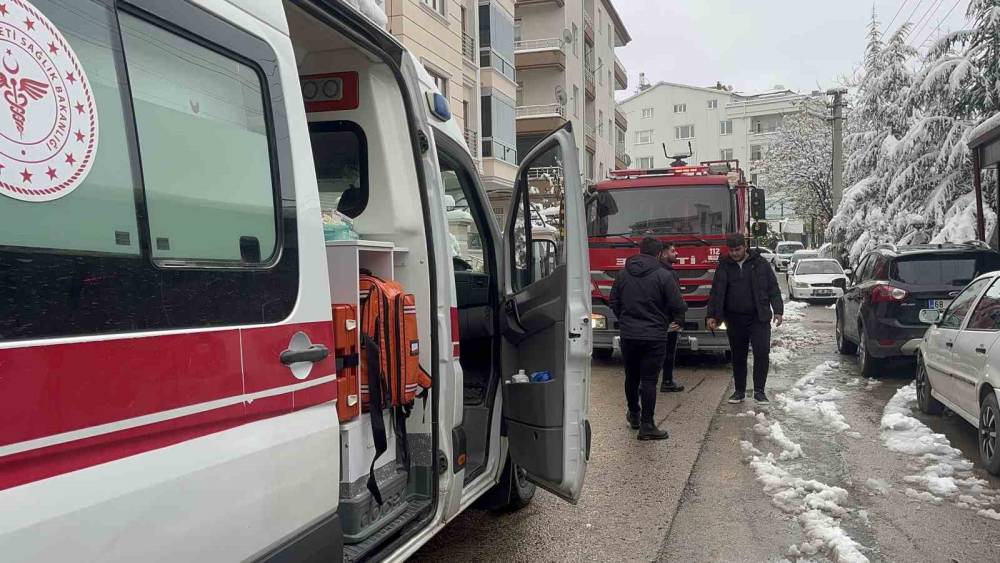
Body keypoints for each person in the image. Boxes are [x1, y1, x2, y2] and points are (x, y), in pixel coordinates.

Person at [609, 237, 688, 440]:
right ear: (659, 253)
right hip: (654, 335)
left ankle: (634, 414)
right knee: (650, 380)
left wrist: (625, 319)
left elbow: (614, 301)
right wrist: (676, 319)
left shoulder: (623, 274)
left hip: (629, 334)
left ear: (640, 251)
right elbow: (677, 304)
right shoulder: (664, 275)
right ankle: (647, 425)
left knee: (631, 376)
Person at [707, 233, 783, 405]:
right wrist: (712, 315)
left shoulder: (760, 264)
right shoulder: (724, 266)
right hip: (734, 318)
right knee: (738, 355)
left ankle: (759, 391)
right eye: (731, 250)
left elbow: (773, 288)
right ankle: (739, 391)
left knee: (761, 353)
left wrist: (778, 310)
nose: (734, 253)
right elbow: (716, 292)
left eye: (737, 249)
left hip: (758, 317)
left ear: (745, 247)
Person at [658, 243, 685, 393]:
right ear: (662, 254)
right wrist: (679, 318)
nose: (677, 253)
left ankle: (644, 383)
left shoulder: (653, 270)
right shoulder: (669, 273)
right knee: (668, 352)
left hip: (654, 319)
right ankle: (667, 381)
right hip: (667, 320)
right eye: (673, 251)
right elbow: (676, 299)